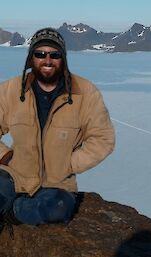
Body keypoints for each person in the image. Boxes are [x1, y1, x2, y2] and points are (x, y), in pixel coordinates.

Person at [0, 28, 115, 229]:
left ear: (63, 59)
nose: (47, 60)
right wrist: (4, 156)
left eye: (55, 54)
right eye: (40, 54)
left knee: (55, 210)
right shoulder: (10, 90)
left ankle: (14, 211)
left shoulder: (85, 93)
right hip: (15, 175)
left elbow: (103, 139)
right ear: (31, 58)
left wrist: (69, 164)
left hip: (57, 184)